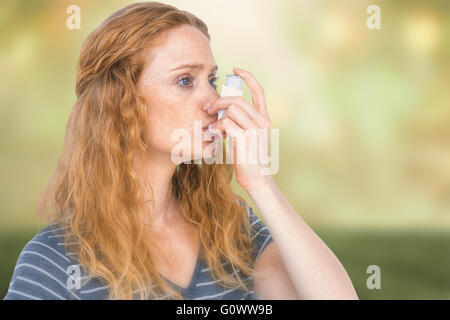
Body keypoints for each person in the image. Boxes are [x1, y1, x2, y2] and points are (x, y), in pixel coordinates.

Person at [4, 1, 358, 300]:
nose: (212, 101)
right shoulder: (53, 260)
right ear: (121, 103)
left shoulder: (231, 227)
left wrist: (261, 182)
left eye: (212, 80)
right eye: (186, 80)